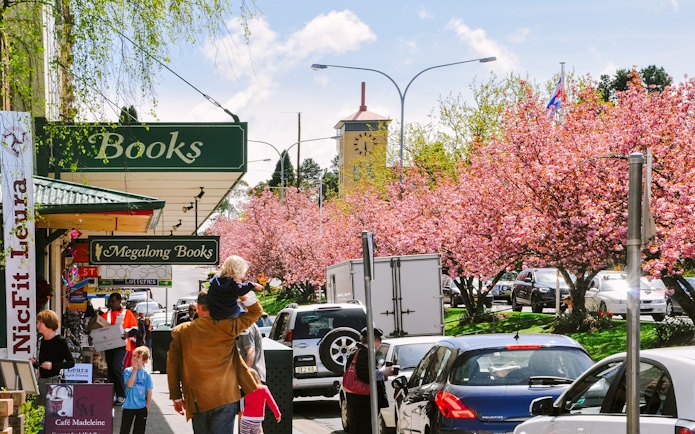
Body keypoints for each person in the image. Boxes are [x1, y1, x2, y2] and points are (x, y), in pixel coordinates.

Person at [167, 288, 262, 433]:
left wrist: (177, 397)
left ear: (198, 307)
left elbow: (172, 366)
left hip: (198, 398)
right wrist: (242, 293)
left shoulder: (182, 331)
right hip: (226, 395)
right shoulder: (228, 326)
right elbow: (256, 312)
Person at [344, 327, 395, 434]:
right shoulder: (363, 354)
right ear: (373, 340)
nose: (380, 343)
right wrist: (383, 372)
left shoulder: (361, 353)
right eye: (379, 340)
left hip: (362, 401)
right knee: (363, 429)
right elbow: (367, 376)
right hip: (362, 402)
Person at [30, 310, 76, 405]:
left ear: (48, 323)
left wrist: (53, 366)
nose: (37, 325)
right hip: (41, 381)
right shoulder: (41, 341)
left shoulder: (60, 341)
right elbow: (43, 365)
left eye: (40, 322)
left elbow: (71, 362)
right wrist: (35, 363)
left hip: (54, 381)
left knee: (52, 409)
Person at [102, 292, 139, 406]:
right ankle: (114, 393)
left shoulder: (127, 313)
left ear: (119, 301)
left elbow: (135, 329)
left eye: (113, 301)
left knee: (116, 366)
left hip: (122, 345)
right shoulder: (105, 315)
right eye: (110, 302)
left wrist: (127, 333)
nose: (111, 304)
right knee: (111, 369)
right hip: (108, 345)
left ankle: (121, 394)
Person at [207, 255, 263, 320]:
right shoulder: (233, 282)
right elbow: (240, 291)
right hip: (230, 312)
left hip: (214, 312)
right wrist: (252, 284)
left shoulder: (215, 280)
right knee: (242, 311)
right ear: (239, 271)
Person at [120, 346, 154, 434]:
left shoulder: (146, 374)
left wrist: (147, 406)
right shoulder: (127, 371)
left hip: (141, 407)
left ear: (144, 361)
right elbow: (129, 384)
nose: (135, 358)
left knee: (139, 430)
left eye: (138, 357)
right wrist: (134, 370)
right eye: (134, 356)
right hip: (128, 406)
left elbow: (149, 391)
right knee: (124, 430)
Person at [239, 368, 281, 434]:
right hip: (258, 419)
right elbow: (271, 402)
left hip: (246, 418)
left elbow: (239, 400)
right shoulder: (264, 389)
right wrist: (277, 413)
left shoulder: (246, 388)